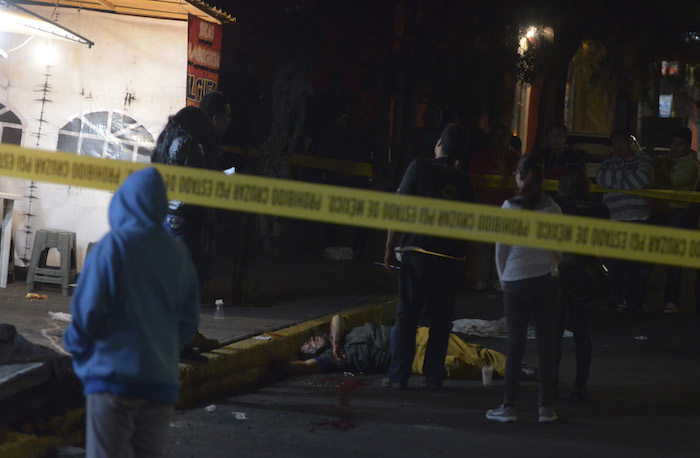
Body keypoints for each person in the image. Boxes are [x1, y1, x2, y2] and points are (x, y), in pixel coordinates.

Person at [63, 168, 200, 458]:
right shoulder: (178, 253)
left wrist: (76, 347)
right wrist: (162, 350)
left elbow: (87, 311)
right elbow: (188, 321)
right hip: (160, 383)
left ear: (123, 201)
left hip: (112, 379)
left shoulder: (113, 247)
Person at [383, 123, 475, 390]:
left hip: (418, 255)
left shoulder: (418, 168)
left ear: (438, 144)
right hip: (450, 259)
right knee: (440, 320)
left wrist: (389, 246)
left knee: (407, 316)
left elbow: (397, 209)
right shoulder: (464, 180)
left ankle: (398, 375)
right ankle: (434, 377)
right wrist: (470, 263)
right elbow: (473, 225)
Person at [486, 153, 561, 423]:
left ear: (519, 176)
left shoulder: (509, 207)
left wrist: (503, 279)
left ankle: (508, 407)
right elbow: (558, 249)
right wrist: (553, 268)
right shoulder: (553, 208)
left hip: (516, 280)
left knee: (515, 344)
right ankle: (546, 408)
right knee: (547, 345)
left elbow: (500, 250)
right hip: (545, 279)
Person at [151, 106, 220, 362]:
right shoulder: (189, 143)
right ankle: (181, 345)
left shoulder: (167, 140)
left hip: (168, 217)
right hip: (187, 219)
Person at [285, 315, 542, 383]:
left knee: (471, 350)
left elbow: (337, 317)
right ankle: (501, 374)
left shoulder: (340, 334)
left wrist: (336, 339)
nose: (312, 341)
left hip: (414, 335)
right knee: (452, 366)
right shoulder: (332, 359)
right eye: (309, 346)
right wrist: (271, 363)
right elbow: (304, 367)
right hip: (408, 357)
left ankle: (519, 369)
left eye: (309, 340)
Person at [554, 165, 610, 402]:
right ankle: (580, 385)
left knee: (554, 331)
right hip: (587, 271)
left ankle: (550, 382)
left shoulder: (559, 207)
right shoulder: (600, 209)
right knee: (582, 332)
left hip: (562, 270)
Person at [596, 129, 654, 312]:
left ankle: (635, 303)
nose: (617, 147)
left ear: (630, 142)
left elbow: (643, 178)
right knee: (614, 264)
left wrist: (616, 183)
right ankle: (615, 299)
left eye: (620, 142)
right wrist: (627, 178)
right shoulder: (606, 163)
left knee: (636, 265)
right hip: (614, 220)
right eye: (614, 144)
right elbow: (601, 179)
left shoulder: (644, 160)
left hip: (637, 219)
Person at [468, 122, 521, 291]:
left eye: (503, 137)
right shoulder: (482, 156)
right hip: (486, 206)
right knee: (485, 246)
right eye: (497, 136)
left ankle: (500, 279)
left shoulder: (515, 158)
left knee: (504, 246)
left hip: (507, 208)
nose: (500, 140)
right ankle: (482, 279)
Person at [654, 126, 699, 314]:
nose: (675, 147)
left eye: (680, 144)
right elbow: (653, 177)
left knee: (674, 258)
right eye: (673, 143)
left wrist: (662, 172)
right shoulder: (666, 160)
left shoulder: (691, 164)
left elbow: (674, 180)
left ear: (688, 146)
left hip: (678, 212)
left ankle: (672, 299)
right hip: (660, 210)